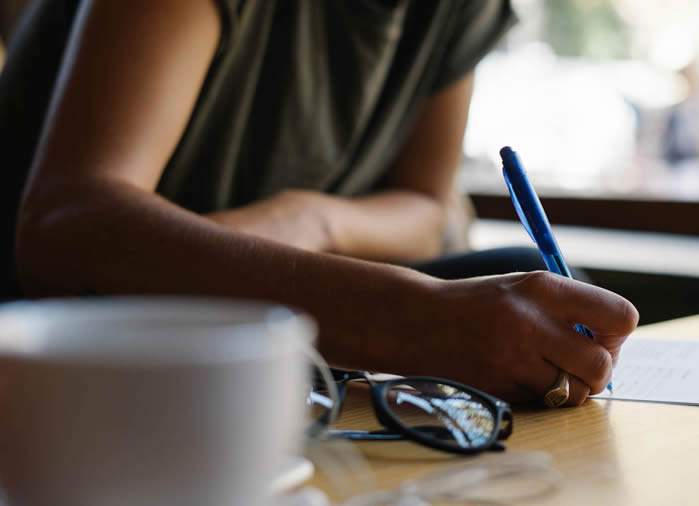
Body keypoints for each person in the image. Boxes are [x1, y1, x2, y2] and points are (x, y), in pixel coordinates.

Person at [0, 0, 638, 406]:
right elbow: (67, 226)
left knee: (542, 301)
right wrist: (417, 323)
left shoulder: (454, 11)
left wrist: (308, 219)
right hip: (63, 320)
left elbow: (426, 205)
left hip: (272, 299)